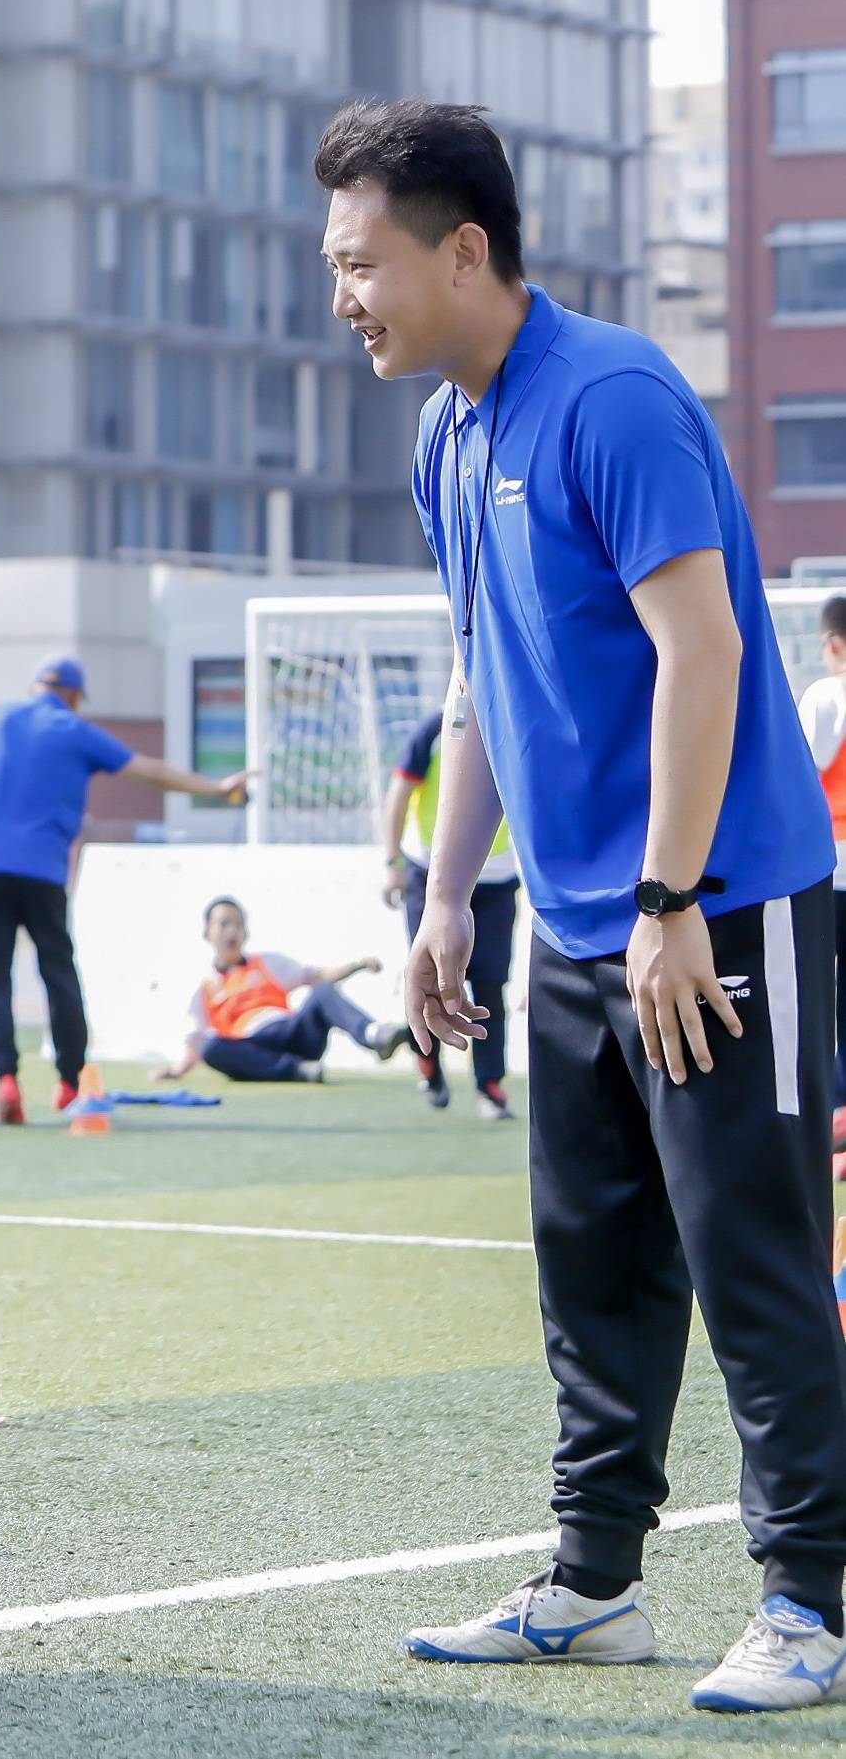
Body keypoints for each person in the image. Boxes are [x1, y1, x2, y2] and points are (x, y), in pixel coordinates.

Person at [311, 100, 846, 1714]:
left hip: (718, 914)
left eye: (359, 262)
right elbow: (483, 672)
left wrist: (670, 898)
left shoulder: (608, 395)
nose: (342, 295)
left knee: (749, 1256)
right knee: (589, 1257)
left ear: (459, 250)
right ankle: (593, 1579)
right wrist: (446, 899)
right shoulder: (445, 434)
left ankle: (808, 1602)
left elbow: (705, 650)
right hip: (568, 925)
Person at [0, 656, 249, 1124]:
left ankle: (6, 1077)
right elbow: (150, 771)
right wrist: (216, 787)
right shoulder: (77, 731)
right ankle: (68, 1084)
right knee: (58, 973)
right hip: (40, 872)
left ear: (34, 688)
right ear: (74, 697)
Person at [381, 708, 522, 1118]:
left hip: (496, 880)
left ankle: (489, 1084)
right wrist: (391, 863)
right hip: (433, 876)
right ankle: (427, 1058)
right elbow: (400, 793)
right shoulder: (434, 728)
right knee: (431, 978)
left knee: (491, 983)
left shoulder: (512, 718)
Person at [154, 897, 409, 1085]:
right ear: (207, 932)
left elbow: (318, 975)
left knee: (321, 991)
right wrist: (177, 1071)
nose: (232, 930)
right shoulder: (204, 988)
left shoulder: (268, 963)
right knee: (211, 1047)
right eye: (224, 924)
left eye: (238, 924)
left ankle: (374, 1035)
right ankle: (297, 1070)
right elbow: (195, 1040)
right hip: (252, 1048)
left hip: (291, 1033)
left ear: (246, 932)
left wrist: (357, 965)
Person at [793, 595, 846, 1166]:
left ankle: (829, 1124)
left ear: (832, 644)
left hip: (826, 871)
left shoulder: (827, 694)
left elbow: (801, 771)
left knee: (816, 1002)